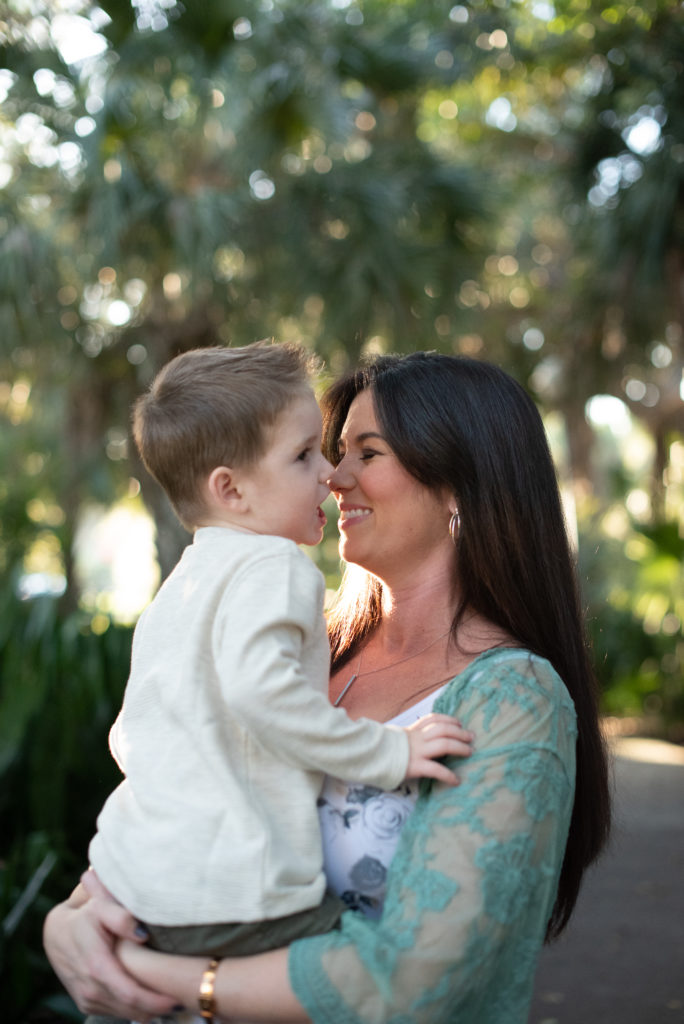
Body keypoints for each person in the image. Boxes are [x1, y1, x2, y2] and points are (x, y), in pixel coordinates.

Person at [44, 350, 611, 1024]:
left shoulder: (514, 700)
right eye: (324, 453)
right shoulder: (300, 651)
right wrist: (72, 922)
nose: (335, 478)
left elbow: (405, 983)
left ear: (461, 484)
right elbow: (168, 797)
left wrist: (148, 971)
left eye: (364, 453)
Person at [78, 343, 473, 1024]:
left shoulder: (184, 588)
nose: (329, 474)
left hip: (141, 884)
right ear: (231, 490)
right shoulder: (276, 569)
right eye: (303, 457)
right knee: (370, 974)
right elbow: (267, 697)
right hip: (239, 895)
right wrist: (391, 751)